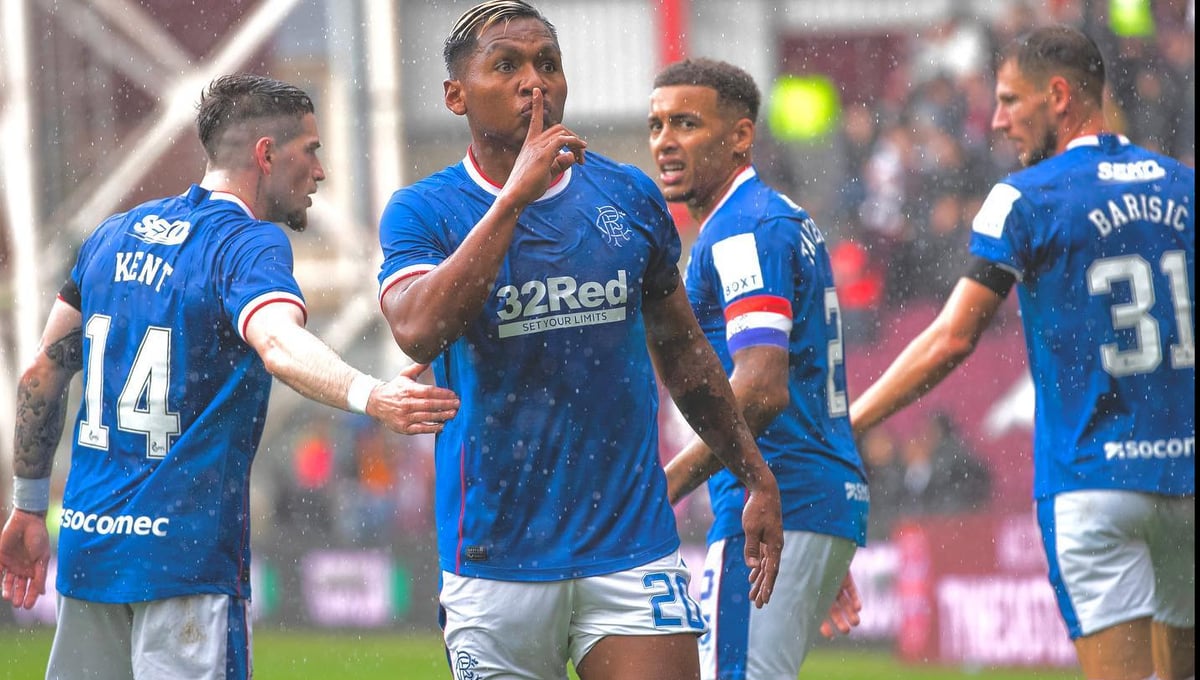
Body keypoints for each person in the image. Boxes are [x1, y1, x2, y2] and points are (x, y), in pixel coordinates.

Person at [0, 73, 461, 680]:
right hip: (185, 562)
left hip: (90, 554)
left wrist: (29, 508)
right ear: (267, 155)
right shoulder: (246, 244)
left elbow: (41, 373)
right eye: (311, 151)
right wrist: (371, 395)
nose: (320, 172)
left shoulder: (112, 235)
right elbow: (277, 343)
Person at [375, 3, 784, 679]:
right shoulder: (424, 210)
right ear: (456, 96)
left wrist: (754, 472)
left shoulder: (628, 195)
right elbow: (419, 329)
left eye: (547, 64)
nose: (533, 81)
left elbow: (685, 356)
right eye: (506, 65)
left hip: (630, 546)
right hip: (495, 556)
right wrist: (513, 198)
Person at [850, 26, 1194, 680]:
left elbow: (952, 337)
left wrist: (850, 424)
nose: (997, 120)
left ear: (1058, 96)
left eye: (1010, 100)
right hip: (1186, 477)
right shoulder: (1185, 187)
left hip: (1092, 480)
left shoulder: (1024, 197)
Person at [648, 58, 868, 679]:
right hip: (810, 499)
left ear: (741, 135)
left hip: (779, 499)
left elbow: (763, 387)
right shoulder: (771, 218)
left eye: (687, 123)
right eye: (657, 125)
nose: (665, 141)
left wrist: (663, 486)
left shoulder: (744, 229)